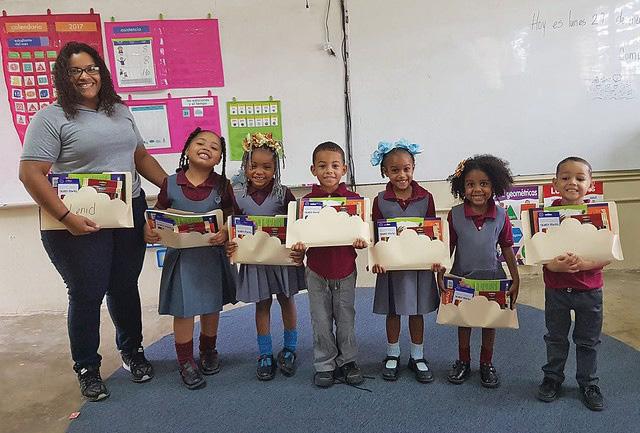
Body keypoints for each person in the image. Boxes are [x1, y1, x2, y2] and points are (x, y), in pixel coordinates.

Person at [18, 42, 167, 401]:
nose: (85, 76)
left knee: (124, 286)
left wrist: (174, 189)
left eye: (91, 68)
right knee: (86, 294)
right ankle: (87, 368)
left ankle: (132, 352)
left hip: (127, 210)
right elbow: (30, 173)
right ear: (63, 76)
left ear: (101, 71)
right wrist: (66, 217)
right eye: (75, 71)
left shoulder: (119, 111)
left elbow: (140, 156)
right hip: (77, 219)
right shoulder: (50, 118)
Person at [145, 128, 237, 390]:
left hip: (212, 257)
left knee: (211, 306)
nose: (207, 148)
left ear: (219, 158)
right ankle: (185, 361)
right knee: (183, 310)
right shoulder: (171, 183)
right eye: (200, 143)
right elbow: (158, 214)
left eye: (214, 147)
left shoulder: (223, 185)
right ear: (187, 149)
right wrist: (149, 230)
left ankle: (208, 350)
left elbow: (231, 215)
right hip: (182, 259)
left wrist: (225, 231)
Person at [227, 133, 305, 380]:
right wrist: (231, 244)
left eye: (267, 167)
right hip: (255, 261)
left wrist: (299, 248)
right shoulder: (237, 194)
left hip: (281, 261)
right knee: (262, 305)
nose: (259, 172)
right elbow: (231, 227)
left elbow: (296, 225)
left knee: (286, 300)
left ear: (275, 169)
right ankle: (265, 353)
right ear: (245, 166)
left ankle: (290, 349)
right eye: (253, 166)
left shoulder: (284, 194)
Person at [291, 142, 368, 388]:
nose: (329, 171)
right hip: (316, 271)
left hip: (345, 270)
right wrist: (299, 245)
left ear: (344, 169)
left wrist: (361, 241)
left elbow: (363, 236)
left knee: (345, 319)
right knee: (320, 320)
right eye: (322, 166)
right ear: (313, 169)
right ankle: (325, 364)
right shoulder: (305, 203)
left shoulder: (354, 201)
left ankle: (348, 361)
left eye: (335, 166)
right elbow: (298, 237)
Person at [441, 154, 520, 388]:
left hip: (492, 278)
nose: (477, 189)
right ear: (462, 187)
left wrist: (516, 278)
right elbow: (448, 247)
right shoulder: (455, 214)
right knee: (463, 320)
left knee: (489, 321)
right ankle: (463, 361)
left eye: (484, 183)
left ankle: (486, 363)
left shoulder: (501, 215)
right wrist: (440, 272)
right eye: (470, 184)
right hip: (462, 278)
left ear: (494, 185)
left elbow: (507, 247)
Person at [537, 156, 608, 411]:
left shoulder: (599, 215)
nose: (572, 183)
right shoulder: (545, 215)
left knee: (588, 340)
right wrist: (551, 265)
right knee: (555, 337)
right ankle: (552, 378)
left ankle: (588, 383)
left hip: (589, 290)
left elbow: (609, 253)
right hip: (556, 290)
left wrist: (585, 264)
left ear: (591, 184)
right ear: (554, 183)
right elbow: (535, 250)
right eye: (565, 178)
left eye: (580, 178)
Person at [369, 139, 440, 383]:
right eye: (395, 170)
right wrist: (376, 258)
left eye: (406, 169)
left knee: (416, 312)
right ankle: (393, 353)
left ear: (413, 168)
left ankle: (417, 356)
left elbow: (433, 232)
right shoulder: (380, 200)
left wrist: (435, 258)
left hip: (419, 268)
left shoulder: (426, 197)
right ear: (385, 171)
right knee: (393, 311)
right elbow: (375, 234)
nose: (401, 175)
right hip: (391, 268)